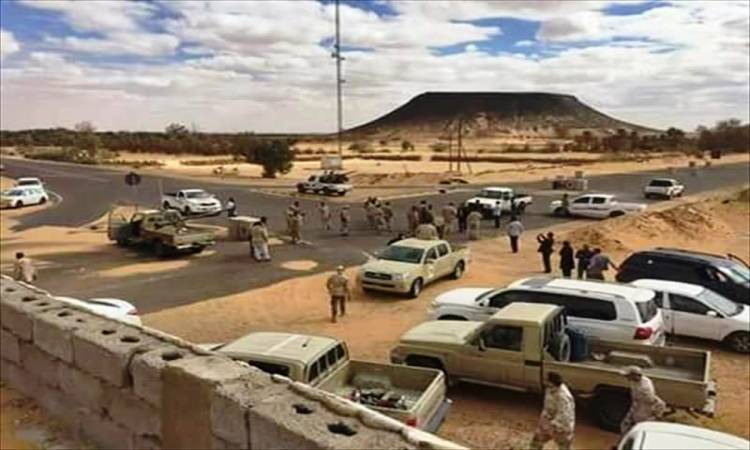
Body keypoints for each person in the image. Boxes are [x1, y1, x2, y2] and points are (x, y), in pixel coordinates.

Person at [530, 372, 575, 450]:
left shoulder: (563, 396)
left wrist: (552, 425)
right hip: (548, 422)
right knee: (536, 442)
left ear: (552, 382)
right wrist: (544, 421)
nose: (545, 381)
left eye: (547, 380)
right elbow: (547, 406)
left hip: (561, 427)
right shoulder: (549, 389)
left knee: (564, 446)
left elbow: (565, 415)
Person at [621, 366, 667, 434]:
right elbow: (635, 401)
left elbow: (653, 401)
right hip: (637, 412)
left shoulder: (645, 388)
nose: (626, 377)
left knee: (639, 432)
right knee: (625, 426)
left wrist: (655, 416)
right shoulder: (634, 382)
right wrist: (629, 415)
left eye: (628, 376)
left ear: (635, 375)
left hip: (644, 415)